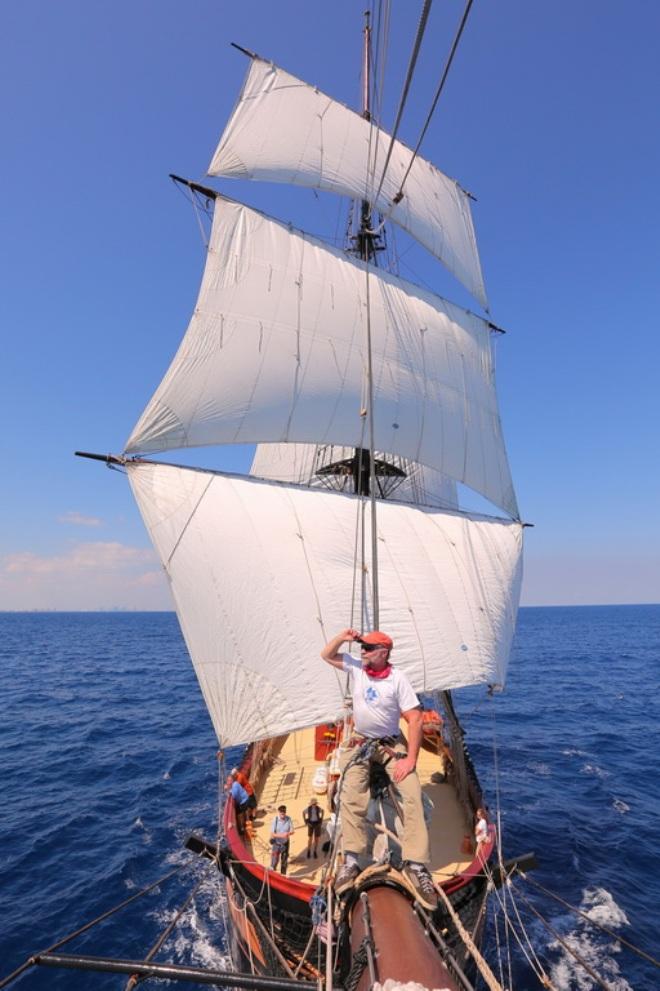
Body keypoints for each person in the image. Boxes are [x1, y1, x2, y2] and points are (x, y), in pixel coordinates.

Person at [320, 628, 438, 911]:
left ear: (384, 652)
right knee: (351, 796)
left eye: (369, 648)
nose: (363, 651)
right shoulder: (357, 668)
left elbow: (414, 718)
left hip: (389, 745)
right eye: (362, 646)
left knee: (411, 793)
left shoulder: (398, 679)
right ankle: (351, 862)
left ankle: (416, 864)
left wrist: (410, 759)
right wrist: (343, 637)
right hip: (360, 742)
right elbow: (326, 655)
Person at [270, 805, 294, 874]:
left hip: (285, 844)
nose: (282, 814)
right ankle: (272, 874)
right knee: (274, 860)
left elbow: (292, 831)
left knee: (284, 861)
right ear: (279, 812)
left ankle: (282, 875)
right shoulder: (275, 820)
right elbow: (272, 833)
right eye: (281, 813)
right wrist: (282, 835)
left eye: (284, 812)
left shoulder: (289, 819)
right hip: (276, 844)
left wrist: (288, 833)